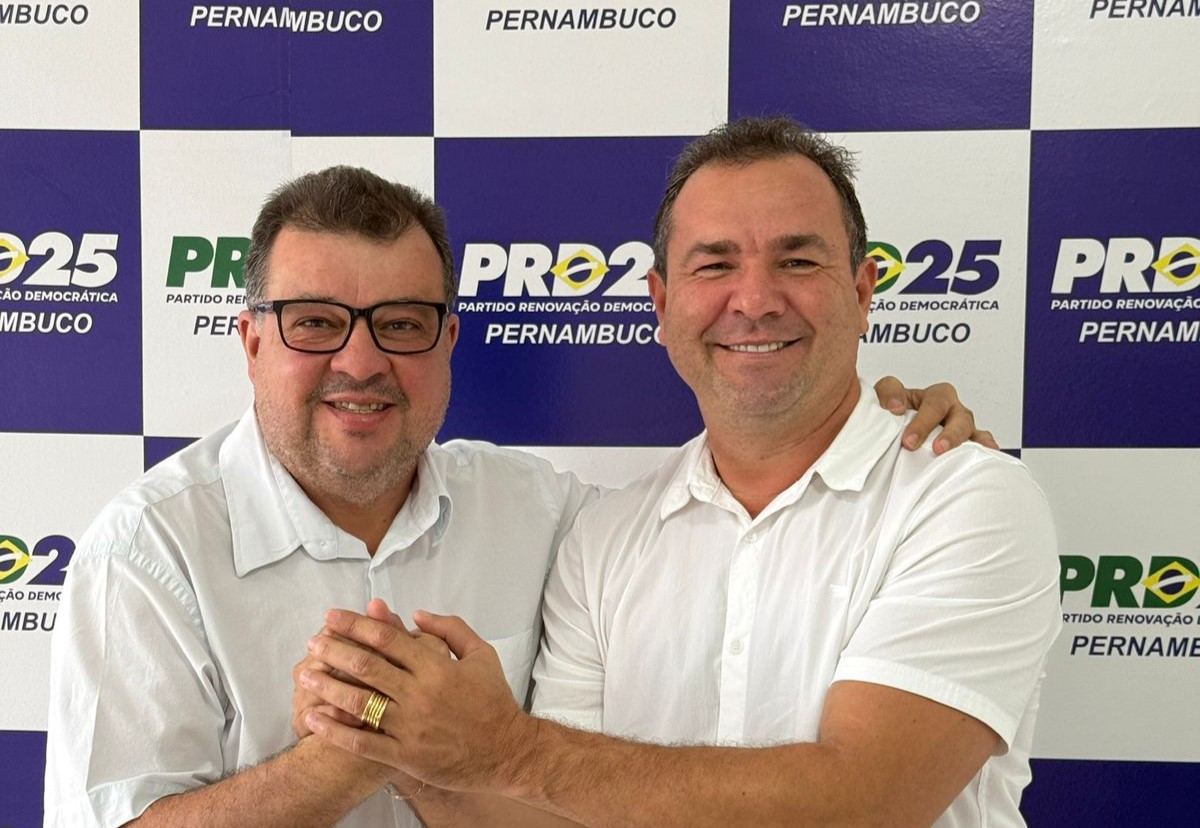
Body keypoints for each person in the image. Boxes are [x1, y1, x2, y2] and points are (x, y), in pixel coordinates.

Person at [44, 163, 987, 828]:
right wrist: (353, 753)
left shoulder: (547, 513)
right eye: (317, 323)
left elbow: (563, 799)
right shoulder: (148, 551)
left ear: (448, 342)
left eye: (401, 323)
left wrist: (882, 430)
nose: (361, 361)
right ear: (252, 341)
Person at [297, 119, 1061, 828]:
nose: (754, 300)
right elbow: (557, 815)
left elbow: (863, 804)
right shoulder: (603, 535)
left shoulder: (967, 501)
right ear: (661, 304)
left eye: (797, 260)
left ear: (862, 293)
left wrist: (502, 748)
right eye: (714, 264)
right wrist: (404, 736)